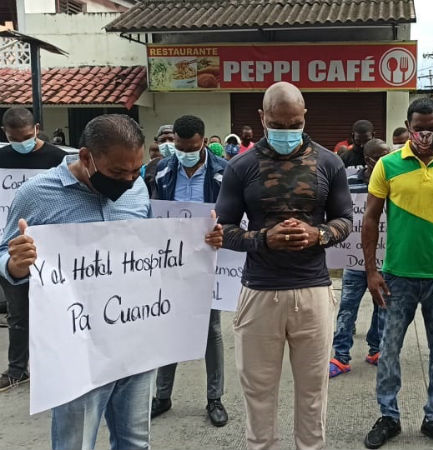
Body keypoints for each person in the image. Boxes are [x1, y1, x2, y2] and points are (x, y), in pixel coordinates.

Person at [0, 114, 222, 449]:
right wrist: (15, 265)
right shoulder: (37, 194)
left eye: (135, 171)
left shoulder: (137, 190)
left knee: (135, 441)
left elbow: (151, 249)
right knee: (76, 443)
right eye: (118, 172)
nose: (129, 179)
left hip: (134, 341)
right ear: (87, 157)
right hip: (76, 347)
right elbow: (4, 253)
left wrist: (200, 244)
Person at [215, 81, 353, 450]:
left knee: (313, 392)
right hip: (260, 292)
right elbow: (223, 230)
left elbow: (344, 219)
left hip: (313, 290)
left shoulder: (329, 162)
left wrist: (317, 234)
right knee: (257, 393)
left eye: (294, 124)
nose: (287, 132)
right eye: (278, 124)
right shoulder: (241, 166)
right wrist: (263, 239)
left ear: (305, 116)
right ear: (262, 118)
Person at [362, 98, 433, 450]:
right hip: (396, 276)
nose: (425, 133)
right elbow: (370, 218)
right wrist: (371, 271)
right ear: (409, 126)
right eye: (419, 127)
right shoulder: (388, 165)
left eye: (432, 127)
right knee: (389, 348)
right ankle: (388, 416)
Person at [151, 115, 229, 427]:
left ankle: (214, 399)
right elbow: (152, 209)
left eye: (192, 147)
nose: (185, 152)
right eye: (180, 147)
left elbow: (237, 213)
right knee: (169, 325)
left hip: (209, 259)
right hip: (171, 259)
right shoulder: (161, 170)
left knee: (211, 330)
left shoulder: (224, 172)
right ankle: (162, 396)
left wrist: (226, 232)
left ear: (203, 141)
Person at [0, 107, 67, 392]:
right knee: (18, 314)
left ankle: (55, 366)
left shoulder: (58, 158)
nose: (21, 142)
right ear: (6, 134)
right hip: (12, 247)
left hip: (52, 248)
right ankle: (17, 369)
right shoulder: (1, 158)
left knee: (55, 310)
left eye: (26, 136)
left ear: (37, 129)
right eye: (15, 138)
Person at [329, 139, 390, 378]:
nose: (387, 161)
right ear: (368, 160)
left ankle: (377, 350)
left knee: (383, 307)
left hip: (384, 260)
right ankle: (340, 356)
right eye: (381, 157)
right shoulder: (349, 182)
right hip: (354, 260)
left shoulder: (393, 182)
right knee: (347, 309)